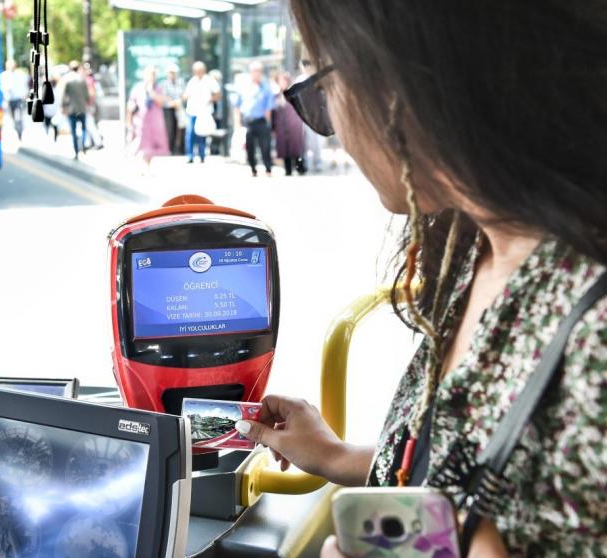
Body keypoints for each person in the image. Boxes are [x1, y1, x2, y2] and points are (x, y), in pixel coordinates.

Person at [231, 2, 607, 557]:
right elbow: (464, 470)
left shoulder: (592, 325)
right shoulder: (471, 243)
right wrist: (339, 457)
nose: (331, 128)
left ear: (396, 82)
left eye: (321, 85)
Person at [235, 61, 274, 177]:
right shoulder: (244, 88)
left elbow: (268, 108)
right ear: (250, 73)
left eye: (259, 71)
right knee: (250, 148)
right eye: (254, 71)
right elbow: (237, 106)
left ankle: (268, 169)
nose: (256, 74)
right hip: (248, 122)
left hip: (261, 121)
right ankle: (253, 169)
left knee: (265, 147)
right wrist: (237, 123)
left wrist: (268, 124)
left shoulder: (266, 88)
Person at [127, 66, 170, 170]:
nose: (152, 77)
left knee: (151, 145)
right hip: (141, 122)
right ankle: (143, 166)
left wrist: (151, 91)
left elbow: (161, 102)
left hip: (155, 122)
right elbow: (130, 105)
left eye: (153, 75)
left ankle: (147, 166)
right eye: (150, 75)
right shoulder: (137, 88)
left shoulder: (158, 88)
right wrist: (128, 121)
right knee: (141, 144)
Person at [182, 61, 220, 163]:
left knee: (202, 134)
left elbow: (217, 94)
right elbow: (186, 95)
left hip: (204, 112)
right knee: (190, 134)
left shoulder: (210, 81)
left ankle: (202, 155)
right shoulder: (192, 81)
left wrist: (209, 100)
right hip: (193, 111)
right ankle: (190, 156)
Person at [271, 71, 307, 176]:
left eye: (284, 80)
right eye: (280, 81)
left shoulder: (295, 94)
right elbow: (273, 113)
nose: (283, 83)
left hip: (294, 125)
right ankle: (288, 169)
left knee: (296, 147)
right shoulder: (276, 96)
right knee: (284, 148)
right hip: (281, 126)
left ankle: (300, 168)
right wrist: (273, 127)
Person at [59, 60, 90, 160]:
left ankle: (76, 151)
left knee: (74, 131)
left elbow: (63, 96)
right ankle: (82, 145)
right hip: (82, 108)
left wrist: (62, 107)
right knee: (84, 129)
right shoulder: (82, 79)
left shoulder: (67, 79)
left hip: (71, 109)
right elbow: (87, 96)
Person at [299, 59, 324, 173]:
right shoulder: (299, 80)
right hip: (303, 115)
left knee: (315, 140)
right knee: (303, 140)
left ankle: (317, 161)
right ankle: (303, 163)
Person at [0, 60, 29, 140]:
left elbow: (24, 86)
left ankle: (20, 131)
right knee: (12, 117)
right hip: (9, 100)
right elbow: (2, 88)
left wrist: (24, 95)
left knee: (19, 117)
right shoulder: (3, 75)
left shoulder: (20, 75)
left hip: (18, 99)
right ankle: (16, 128)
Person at [161, 63, 185, 155]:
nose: (172, 75)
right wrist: (173, 102)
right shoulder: (164, 83)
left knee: (182, 128)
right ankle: (170, 149)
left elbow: (183, 94)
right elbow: (165, 96)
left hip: (179, 108)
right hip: (169, 109)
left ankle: (180, 150)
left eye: (174, 73)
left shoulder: (181, 82)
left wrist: (178, 102)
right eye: (170, 73)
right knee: (170, 129)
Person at [83, 62, 104, 150]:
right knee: (88, 124)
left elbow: (92, 94)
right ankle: (88, 143)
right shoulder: (92, 80)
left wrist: (89, 104)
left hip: (89, 105)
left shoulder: (89, 80)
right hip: (91, 105)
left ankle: (95, 142)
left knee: (90, 124)